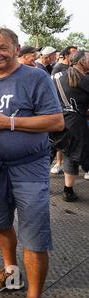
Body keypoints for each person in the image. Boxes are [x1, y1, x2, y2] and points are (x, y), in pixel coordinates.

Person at [0, 28, 64, 298]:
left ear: (16, 48)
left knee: (34, 233)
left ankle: (34, 296)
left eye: (2, 47)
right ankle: (11, 273)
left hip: (29, 167)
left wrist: (9, 122)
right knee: (1, 223)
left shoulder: (36, 77)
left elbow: (56, 121)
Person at [52, 50, 89, 202]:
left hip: (54, 119)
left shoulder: (56, 76)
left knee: (54, 152)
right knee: (73, 155)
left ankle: (38, 184)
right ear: (82, 62)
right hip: (75, 122)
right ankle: (68, 190)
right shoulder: (85, 80)